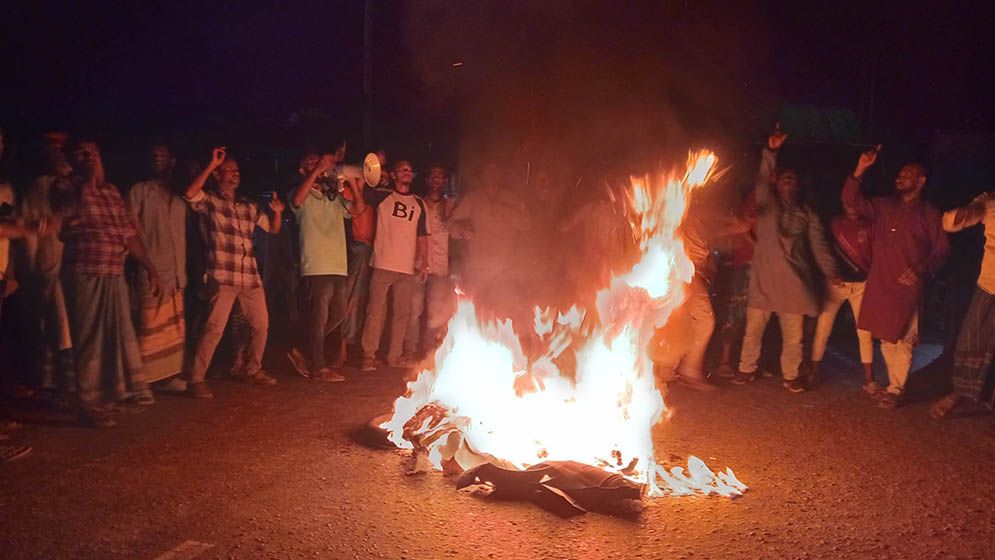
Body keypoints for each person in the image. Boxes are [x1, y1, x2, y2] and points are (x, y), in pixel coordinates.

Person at [52, 139, 162, 427]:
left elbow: (129, 235)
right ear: (74, 160)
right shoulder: (65, 186)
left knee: (115, 338)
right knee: (89, 339)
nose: (89, 157)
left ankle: (110, 396)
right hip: (84, 272)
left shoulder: (113, 193)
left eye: (94, 152)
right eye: (82, 153)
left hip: (113, 274)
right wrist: (88, 180)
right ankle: (88, 405)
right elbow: (67, 214)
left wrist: (150, 267)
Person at [843, 147, 950, 408]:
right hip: (881, 282)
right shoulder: (884, 206)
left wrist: (921, 268)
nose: (900, 178)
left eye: (908, 175)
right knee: (885, 336)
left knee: (904, 338)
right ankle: (894, 385)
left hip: (908, 287)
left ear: (921, 181)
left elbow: (942, 249)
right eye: (899, 174)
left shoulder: (929, 213)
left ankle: (895, 388)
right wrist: (860, 169)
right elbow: (851, 201)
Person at [734, 128, 840, 392]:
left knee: (793, 336)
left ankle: (791, 375)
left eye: (793, 180)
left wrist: (831, 270)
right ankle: (746, 368)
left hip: (794, 283)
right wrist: (770, 152)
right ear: (777, 183)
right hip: (764, 280)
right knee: (753, 330)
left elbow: (819, 246)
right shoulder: (767, 206)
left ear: (799, 185)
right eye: (784, 179)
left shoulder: (808, 214)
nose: (788, 183)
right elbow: (761, 183)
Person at [183, 147, 284, 398]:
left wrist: (278, 213)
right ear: (217, 175)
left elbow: (272, 229)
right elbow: (189, 193)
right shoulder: (211, 201)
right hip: (222, 276)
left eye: (236, 170)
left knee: (261, 325)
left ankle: (252, 370)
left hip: (249, 276)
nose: (234, 174)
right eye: (228, 170)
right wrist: (211, 164)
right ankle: (196, 379)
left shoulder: (248, 206)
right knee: (213, 328)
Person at [287, 151, 364, 381]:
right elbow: (296, 201)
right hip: (316, 265)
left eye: (319, 162)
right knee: (319, 317)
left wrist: (352, 181)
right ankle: (319, 367)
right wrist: (318, 169)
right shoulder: (299, 193)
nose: (319, 166)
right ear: (302, 171)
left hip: (338, 265)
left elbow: (358, 209)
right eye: (310, 163)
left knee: (339, 314)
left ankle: (304, 347)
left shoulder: (333, 196)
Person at [128, 144, 188, 392]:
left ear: (172, 161)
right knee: (148, 326)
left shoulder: (180, 195)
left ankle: (166, 377)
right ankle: (140, 380)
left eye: (162, 155)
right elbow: (129, 229)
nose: (157, 159)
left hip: (176, 272)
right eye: (153, 155)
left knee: (172, 330)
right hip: (151, 268)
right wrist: (147, 266)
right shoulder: (139, 191)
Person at [930, 191, 995, 418]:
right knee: (971, 339)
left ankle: (986, 401)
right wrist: (960, 216)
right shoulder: (990, 201)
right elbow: (957, 220)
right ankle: (959, 393)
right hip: (990, 285)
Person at [360, 160, 428, 371]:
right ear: (395, 175)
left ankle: (394, 356)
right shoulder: (382, 195)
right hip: (383, 262)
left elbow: (423, 236)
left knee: (402, 314)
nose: (407, 173)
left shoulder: (419, 203)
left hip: (406, 267)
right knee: (375, 312)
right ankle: (368, 355)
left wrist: (424, 263)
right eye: (402, 170)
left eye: (409, 170)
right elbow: (363, 184)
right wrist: (376, 171)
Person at [19, 138, 74, 398]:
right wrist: (33, 269)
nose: (58, 154)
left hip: (74, 265)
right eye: (53, 149)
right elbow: (28, 230)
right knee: (55, 327)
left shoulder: (73, 185)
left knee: (70, 324)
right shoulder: (37, 187)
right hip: (49, 265)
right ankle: (54, 388)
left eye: (61, 149)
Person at [808, 202, 876, 392]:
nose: (853, 208)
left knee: (865, 332)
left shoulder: (869, 225)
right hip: (835, 285)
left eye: (856, 203)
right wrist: (829, 272)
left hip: (861, 284)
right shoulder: (834, 224)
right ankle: (814, 371)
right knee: (823, 329)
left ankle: (870, 379)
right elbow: (822, 248)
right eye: (848, 203)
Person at [404, 164, 458, 359]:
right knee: (413, 311)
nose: (436, 179)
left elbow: (457, 230)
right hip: (417, 263)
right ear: (427, 181)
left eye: (440, 176)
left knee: (435, 313)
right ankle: (409, 351)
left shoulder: (451, 205)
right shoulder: (417, 203)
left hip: (441, 265)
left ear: (445, 181)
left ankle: (428, 354)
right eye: (432, 176)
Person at [338, 146, 381, 367]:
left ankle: (346, 345)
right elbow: (357, 209)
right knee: (349, 297)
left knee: (357, 298)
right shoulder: (346, 191)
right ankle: (341, 347)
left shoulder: (371, 193)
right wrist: (353, 183)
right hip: (354, 248)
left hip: (367, 250)